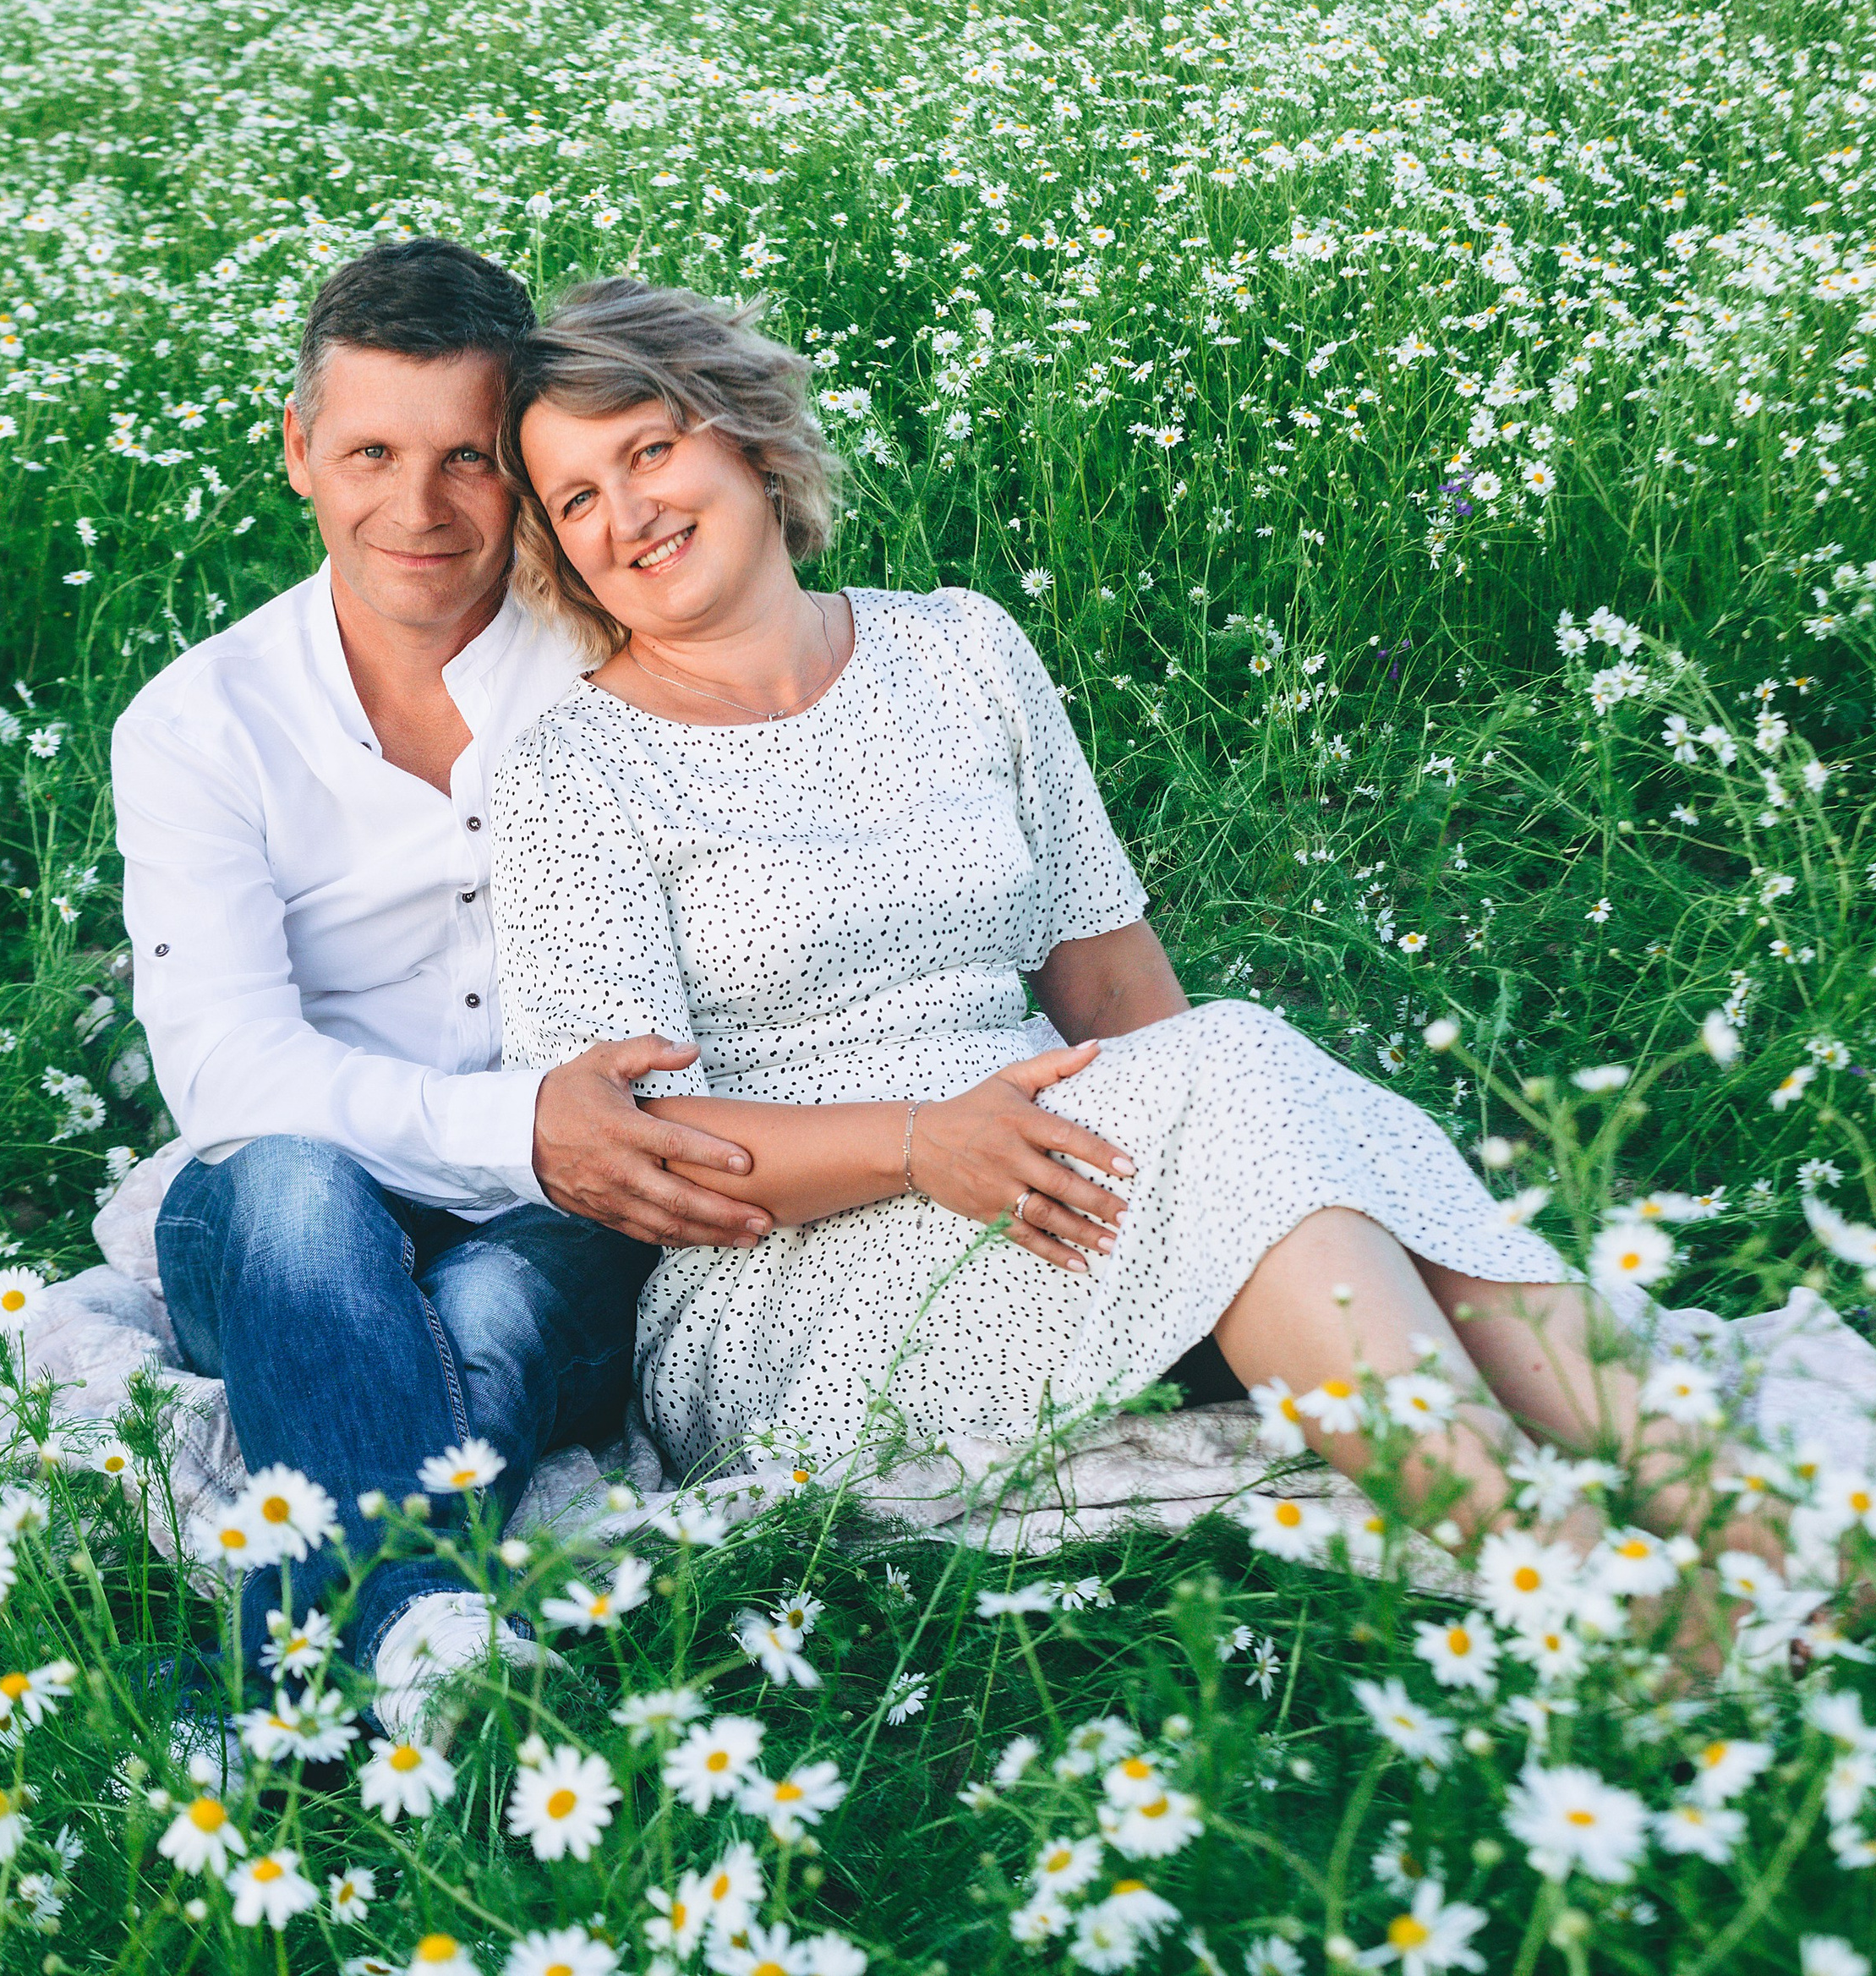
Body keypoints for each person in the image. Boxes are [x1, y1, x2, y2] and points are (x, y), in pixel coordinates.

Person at [485, 276, 1790, 1598]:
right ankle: (1597, 1576)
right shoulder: (573, 778)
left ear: (750, 437)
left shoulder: (962, 651)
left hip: (1051, 1173)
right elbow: (648, 1159)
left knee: (1242, 1085)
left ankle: (1691, 1497)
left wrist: (1213, 1180)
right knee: (1238, 1088)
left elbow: (1107, 978)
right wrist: (926, 1144)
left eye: (649, 450)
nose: (628, 515)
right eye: (577, 499)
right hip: (788, 1294)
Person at [113, 239, 1125, 1739]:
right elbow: (229, 1077)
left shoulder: (612, 636)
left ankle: (309, 1686)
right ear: (299, 456)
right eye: (372, 453)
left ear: (519, 480)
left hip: (590, 1196)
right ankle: (397, 1630)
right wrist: (524, 1125)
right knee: (292, 1195)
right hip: (313, 1199)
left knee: (497, 1314)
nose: (418, 508)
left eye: (469, 461)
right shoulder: (200, 724)